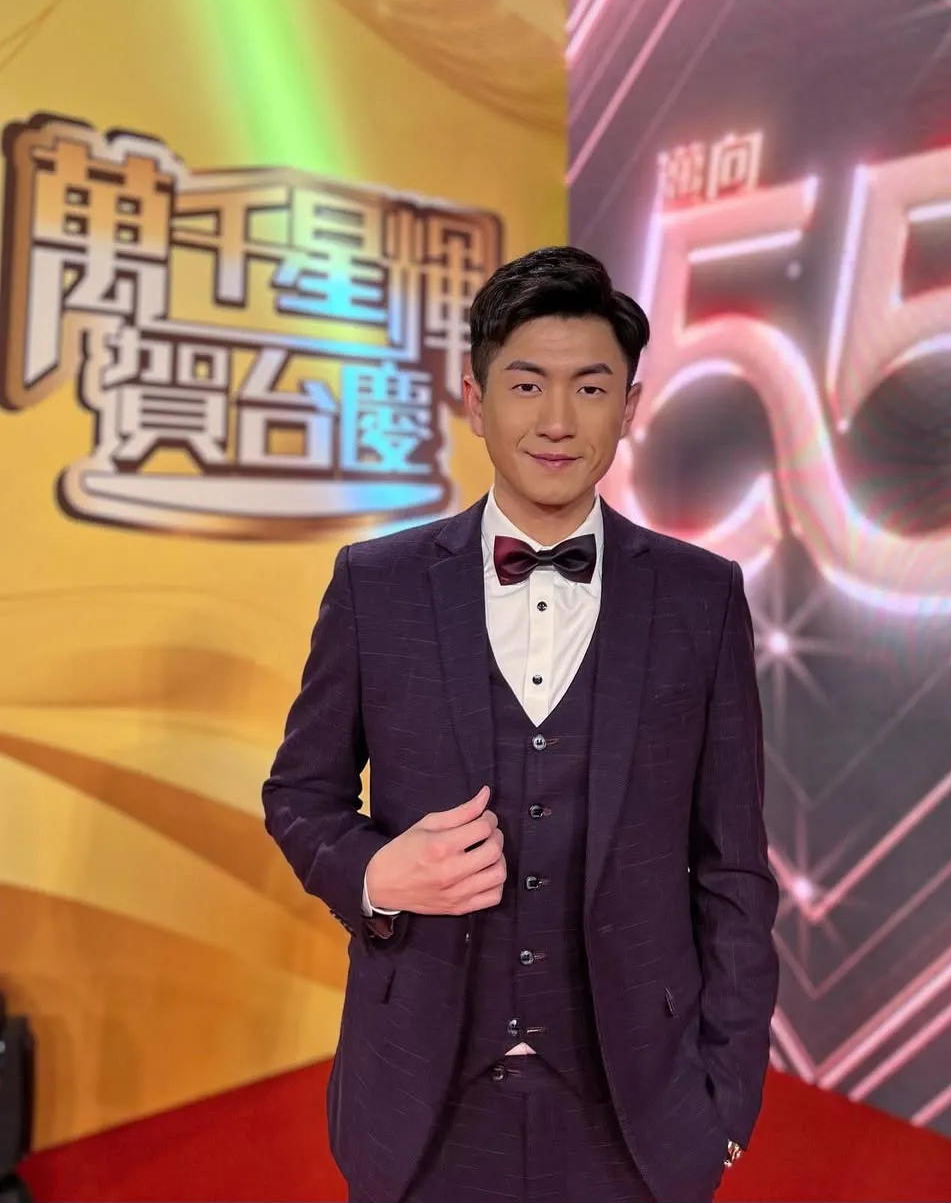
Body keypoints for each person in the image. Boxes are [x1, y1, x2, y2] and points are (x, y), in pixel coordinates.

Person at [262, 246, 779, 1203]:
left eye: (592, 388)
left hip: (639, 1108)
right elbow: (300, 795)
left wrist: (727, 1098)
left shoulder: (701, 598)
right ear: (475, 399)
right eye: (526, 384)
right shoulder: (376, 585)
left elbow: (734, 868)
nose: (557, 421)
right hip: (418, 1098)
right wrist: (374, 874)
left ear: (629, 407)